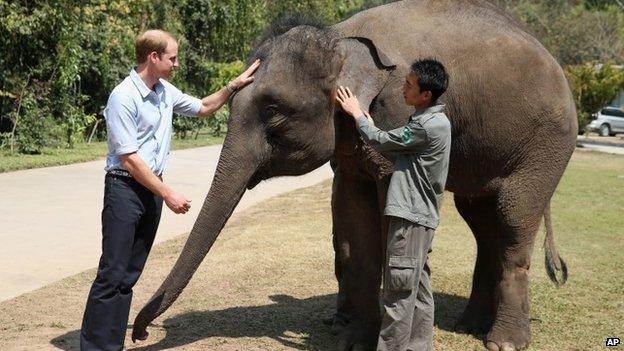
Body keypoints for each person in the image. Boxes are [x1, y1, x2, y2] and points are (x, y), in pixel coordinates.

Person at [80, 29, 260, 350]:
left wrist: (232, 87)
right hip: (124, 189)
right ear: (154, 57)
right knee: (112, 274)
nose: (176, 64)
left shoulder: (163, 91)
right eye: (172, 58)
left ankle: (112, 345)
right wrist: (167, 193)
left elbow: (203, 107)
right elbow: (130, 158)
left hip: (149, 193)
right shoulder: (124, 97)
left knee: (129, 276)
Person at [335, 58, 451, 351]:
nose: (403, 88)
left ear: (426, 95)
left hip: (409, 220)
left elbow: (382, 141)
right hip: (420, 220)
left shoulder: (427, 126)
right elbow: (391, 140)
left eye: (409, 85)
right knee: (418, 291)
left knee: (398, 294)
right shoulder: (436, 122)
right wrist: (372, 128)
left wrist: (355, 114)